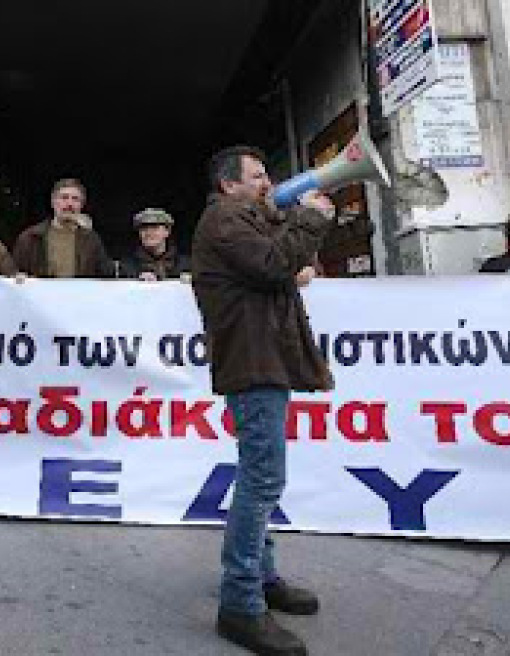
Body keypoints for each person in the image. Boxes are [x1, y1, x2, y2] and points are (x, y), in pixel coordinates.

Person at [191, 145, 337, 656]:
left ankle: (263, 576)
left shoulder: (243, 220)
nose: (266, 182)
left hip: (262, 359)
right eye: (257, 176)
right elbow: (274, 264)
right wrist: (312, 219)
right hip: (253, 364)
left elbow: (275, 266)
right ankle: (240, 603)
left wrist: (294, 237)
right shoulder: (227, 218)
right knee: (263, 478)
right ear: (230, 184)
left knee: (260, 474)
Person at [11, 177, 112, 278]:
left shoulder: (91, 240)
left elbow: (107, 275)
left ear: (81, 205)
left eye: (75, 199)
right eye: (64, 198)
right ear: (53, 202)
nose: (69, 204)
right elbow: (13, 273)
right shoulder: (30, 238)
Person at [119, 208, 190, 281]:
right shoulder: (127, 266)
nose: (148, 233)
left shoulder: (186, 264)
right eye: (144, 228)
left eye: (155, 228)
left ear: (167, 232)